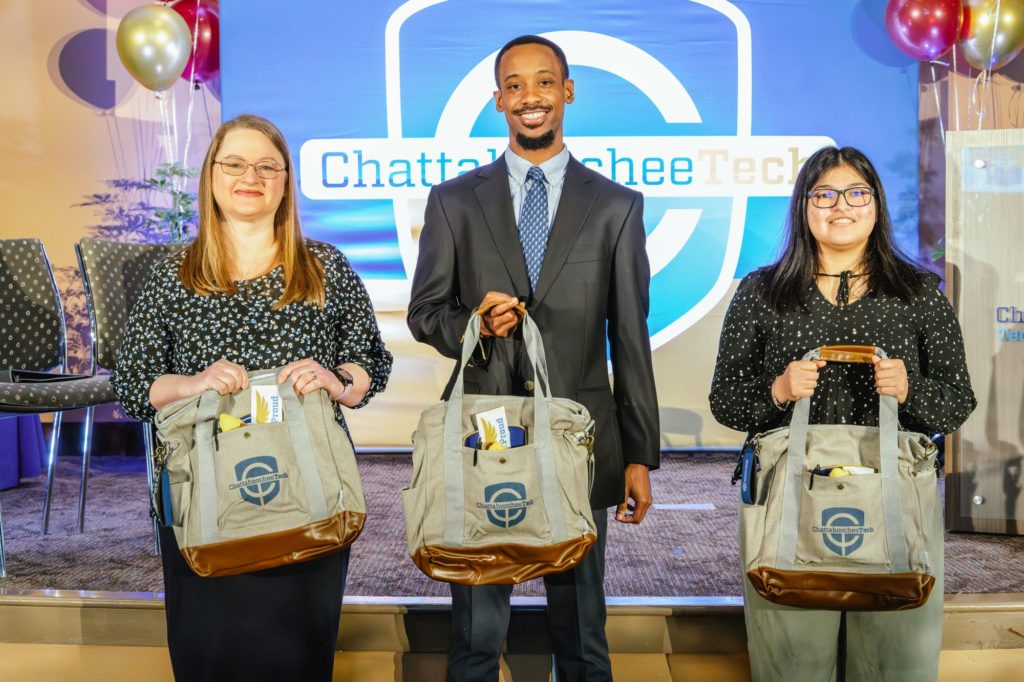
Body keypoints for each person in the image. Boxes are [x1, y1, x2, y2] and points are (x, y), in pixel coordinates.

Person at [407, 34, 660, 681]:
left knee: (582, 633)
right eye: (514, 85)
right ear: (498, 100)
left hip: (579, 443)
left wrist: (638, 454)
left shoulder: (616, 206)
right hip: (482, 440)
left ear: (567, 91)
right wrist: (476, 326)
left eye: (544, 82)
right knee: (475, 635)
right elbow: (425, 313)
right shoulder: (454, 202)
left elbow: (629, 338)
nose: (530, 98)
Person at [112, 113, 392, 682]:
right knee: (211, 659)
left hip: (309, 497)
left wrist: (337, 380)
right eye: (235, 164)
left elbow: (370, 367)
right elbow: (136, 386)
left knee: (298, 660)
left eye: (268, 166)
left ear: (286, 182)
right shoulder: (173, 276)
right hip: (205, 504)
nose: (251, 176)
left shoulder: (325, 268)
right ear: (211, 177)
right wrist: (192, 385)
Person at [709, 145, 976, 682]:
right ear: (803, 206)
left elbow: (957, 399)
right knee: (791, 651)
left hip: (895, 491)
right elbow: (725, 399)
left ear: (876, 205)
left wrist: (911, 390)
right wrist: (779, 390)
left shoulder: (919, 292)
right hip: (786, 492)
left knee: (893, 651)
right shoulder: (761, 292)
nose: (841, 206)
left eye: (856, 193)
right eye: (824, 194)